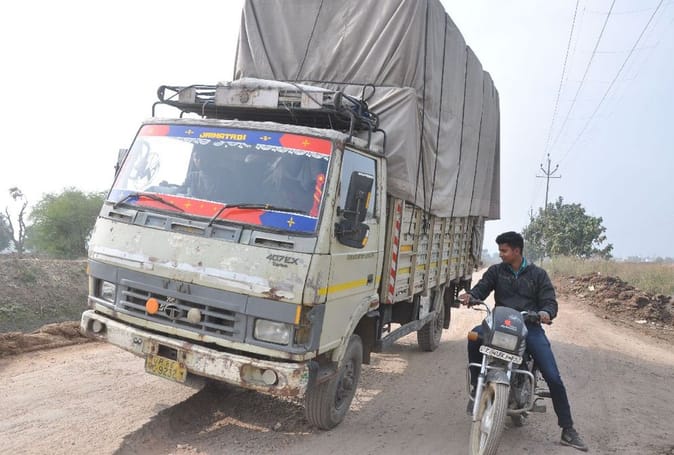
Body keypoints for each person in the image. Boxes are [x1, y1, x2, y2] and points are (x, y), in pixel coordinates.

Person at [459, 231, 588, 452]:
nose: (501, 254)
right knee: (474, 337)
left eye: (504, 250)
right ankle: (476, 387)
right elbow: (482, 288)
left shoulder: (538, 275)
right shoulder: (496, 271)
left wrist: (546, 312)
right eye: (500, 250)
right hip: (499, 323)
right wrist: (471, 296)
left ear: (516, 251)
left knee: (553, 377)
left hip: (529, 327)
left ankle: (568, 429)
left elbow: (550, 302)